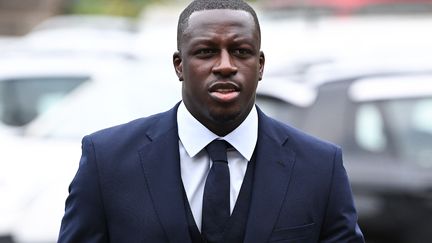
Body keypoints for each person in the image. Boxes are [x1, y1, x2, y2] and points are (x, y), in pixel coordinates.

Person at [58, 0, 365, 242]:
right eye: (206, 52)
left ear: (259, 65)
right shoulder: (107, 161)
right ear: (180, 65)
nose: (225, 66)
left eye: (240, 51)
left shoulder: (319, 167)